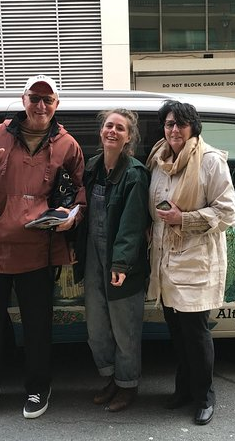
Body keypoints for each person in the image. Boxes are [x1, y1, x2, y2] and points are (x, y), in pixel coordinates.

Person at [0, 74, 85, 423]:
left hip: (38, 248)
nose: (41, 105)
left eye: (48, 99)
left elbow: (79, 191)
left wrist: (72, 217)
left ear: (57, 104)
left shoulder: (67, 144)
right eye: (35, 98)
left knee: (38, 327)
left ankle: (38, 387)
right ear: (23, 99)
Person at [146, 100, 235, 426]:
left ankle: (204, 396)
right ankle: (183, 390)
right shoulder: (158, 160)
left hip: (196, 262)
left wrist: (184, 219)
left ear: (193, 128)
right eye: (169, 124)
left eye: (180, 124)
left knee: (196, 335)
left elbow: (225, 213)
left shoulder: (210, 161)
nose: (174, 130)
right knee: (177, 334)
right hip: (166, 261)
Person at [74, 109, 151, 413]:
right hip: (94, 257)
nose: (113, 131)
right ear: (101, 132)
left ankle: (127, 385)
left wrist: (120, 264)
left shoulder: (134, 174)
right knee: (96, 328)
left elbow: (132, 226)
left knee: (124, 329)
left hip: (123, 263)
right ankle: (110, 378)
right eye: (109, 126)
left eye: (120, 128)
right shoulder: (92, 167)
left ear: (129, 137)